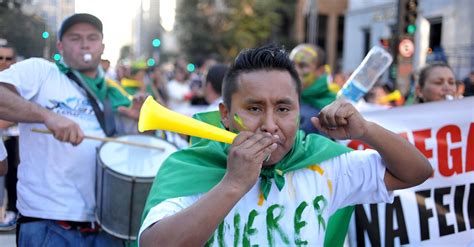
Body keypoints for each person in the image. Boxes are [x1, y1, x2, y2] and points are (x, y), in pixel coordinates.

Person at [138, 44, 433, 246]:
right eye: (254, 109)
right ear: (226, 115)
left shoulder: (323, 162)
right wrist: (233, 184)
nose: (269, 124)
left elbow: (417, 172)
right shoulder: (190, 167)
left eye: (283, 109)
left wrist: (367, 131)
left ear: (298, 110)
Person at [0, 13, 140, 246]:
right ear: (60, 46)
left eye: (92, 38)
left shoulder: (113, 94)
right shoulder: (41, 71)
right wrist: (47, 116)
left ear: (102, 46)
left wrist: (142, 126)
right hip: (49, 227)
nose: (85, 43)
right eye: (75, 38)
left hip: (106, 228)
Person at [289, 44, 336, 133]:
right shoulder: (280, 95)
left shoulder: (332, 103)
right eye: (291, 64)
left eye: (302, 66)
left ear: (320, 71)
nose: (294, 70)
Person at [0, 44, 18, 231]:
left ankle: (12, 211)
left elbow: (16, 114)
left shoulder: (18, 82)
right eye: (0, 58)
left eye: (8, 58)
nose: (4, 62)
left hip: (13, 140)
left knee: (13, 179)